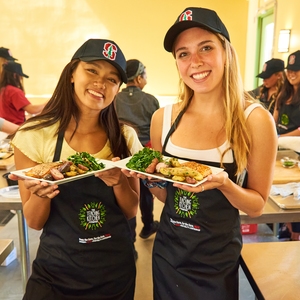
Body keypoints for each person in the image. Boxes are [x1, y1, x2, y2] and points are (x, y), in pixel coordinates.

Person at [124, 7, 277, 299]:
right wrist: (150, 179)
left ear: (226, 52)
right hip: (169, 253)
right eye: (183, 53)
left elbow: (256, 205)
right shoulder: (163, 119)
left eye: (205, 48)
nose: (195, 62)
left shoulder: (254, 119)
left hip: (216, 261)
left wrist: (224, 184)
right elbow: (168, 195)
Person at [9, 38, 142, 299]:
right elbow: (35, 222)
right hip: (56, 272)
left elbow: (130, 210)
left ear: (118, 89)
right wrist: (40, 193)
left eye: (112, 79)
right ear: (72, 73)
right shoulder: (34, 136)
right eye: (92, 70)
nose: (100, 83)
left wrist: (118, 182)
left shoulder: (125, 138)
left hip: (114, 271)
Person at [114, 59, 160, 254]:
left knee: (127, 195)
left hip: (120, 154)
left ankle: (130, 242)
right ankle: (148, 225)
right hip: (144, 154)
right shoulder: (151, 100)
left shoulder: (114, 98)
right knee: (145, 192)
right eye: (146, 75)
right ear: (139, 78)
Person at [274, 50, 300, 241]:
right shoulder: (284, 93)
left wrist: (279, 137)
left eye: (296, 70)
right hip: (281, 153)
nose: (292, 73)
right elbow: (273, 118)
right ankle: (288, 230)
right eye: (290, 70)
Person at [0, 61, 46, 125]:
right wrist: (48, 103)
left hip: (4, 127)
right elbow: (32, 110)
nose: (21, 78)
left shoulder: (3, 89)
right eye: (20, 76)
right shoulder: (14, 91)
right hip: (14, 128)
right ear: (15, 75)